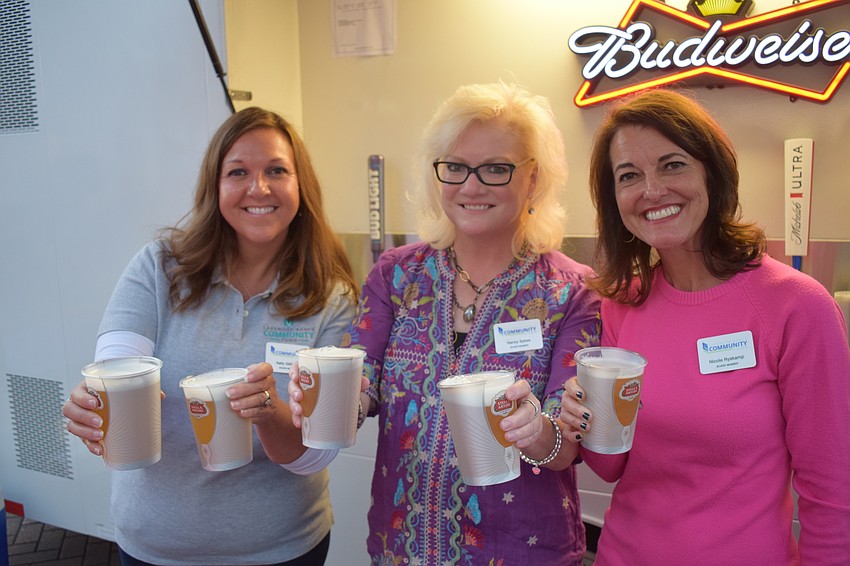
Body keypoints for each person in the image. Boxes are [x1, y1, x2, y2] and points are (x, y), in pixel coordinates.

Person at [289, 82, 601, 564]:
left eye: (495, 168)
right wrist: (329, 399)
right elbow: (362, 382)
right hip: (403, 548)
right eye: (455, 167)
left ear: (533, 177)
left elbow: (565, 446)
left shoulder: (571, 292)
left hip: (521, 551)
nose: (471, 186)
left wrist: (533, 428)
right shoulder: (397, 275)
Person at [559, 88, 850, 565]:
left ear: (712, 173)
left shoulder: (797, 307)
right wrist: (586, 418)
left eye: (672, 165)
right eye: (629, 175)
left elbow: (833, 494)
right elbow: (609, 467)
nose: (652, 190)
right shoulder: (622, 303)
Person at [62, 107, 358, 565]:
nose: (258, 188)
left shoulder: (330, 296)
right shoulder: (160, 268)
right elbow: (116, 369)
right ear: (214, 187)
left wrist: (268, 412)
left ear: (301, 186)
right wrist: (92, 403)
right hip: (156, 546)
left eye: (276, 170)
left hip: (281, 547)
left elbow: (313, 456)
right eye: (238, 172)